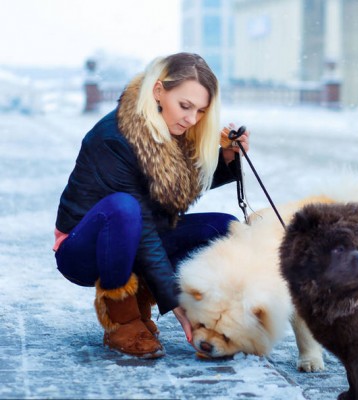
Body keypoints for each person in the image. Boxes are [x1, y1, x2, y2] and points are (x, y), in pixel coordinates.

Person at [53, 52, 250, 358]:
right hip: (84, 249)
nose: (191, 118)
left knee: (224, 228)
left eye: (200, 110)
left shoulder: (175, 129)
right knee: (123, 208)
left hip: (140, 238)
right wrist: (174, 301)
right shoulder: (114, 137)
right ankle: (124, 320)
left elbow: (174, 191)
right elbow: (141, 223)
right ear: (158, 91)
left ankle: (143, 297)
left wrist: (226, 161)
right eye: (185, 106)